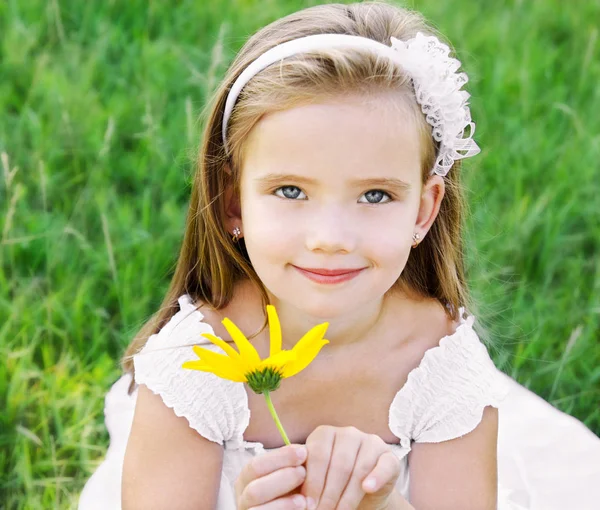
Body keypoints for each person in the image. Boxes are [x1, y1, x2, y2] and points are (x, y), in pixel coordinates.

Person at [78, 2, 600, 509]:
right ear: (233, 200)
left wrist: (380, 503)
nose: (330, 237)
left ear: (422, 210)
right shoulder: (195, 368)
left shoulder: (438, 369)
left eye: (375, 195)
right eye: (290, 191)